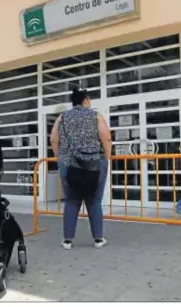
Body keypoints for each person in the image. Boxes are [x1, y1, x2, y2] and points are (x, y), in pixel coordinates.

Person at [50, 88, 112, 250]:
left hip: (68, 164)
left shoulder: (62, 118)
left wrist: (60, 158)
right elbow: (106, 137)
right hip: (94, 164)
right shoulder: (95, 115)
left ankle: (67, 240)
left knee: (71, 201)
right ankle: (98, 239)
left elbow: (53, 140)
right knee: (94, 201)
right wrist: (107, 157)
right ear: (85, 100)